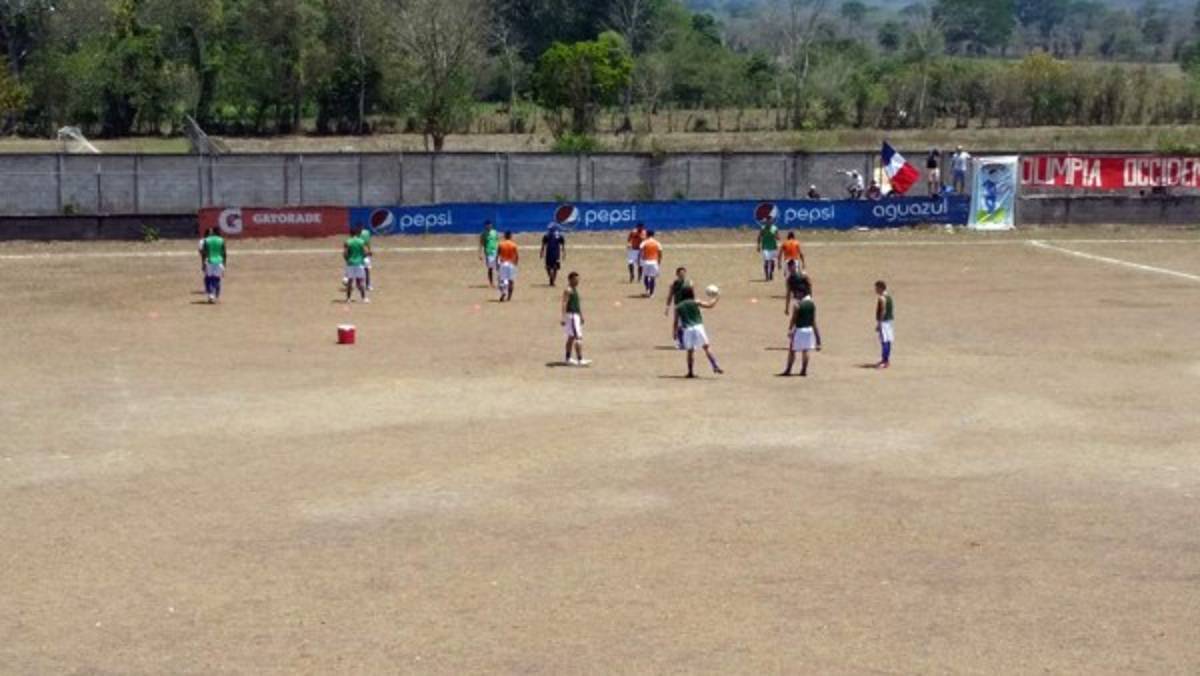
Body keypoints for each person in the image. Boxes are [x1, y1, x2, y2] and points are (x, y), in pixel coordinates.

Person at [674, 287, 723, 378]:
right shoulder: (696, 302)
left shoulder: (678, 306)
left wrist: (675, 333)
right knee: (706, 347)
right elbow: (709, 305)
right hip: (698, 327)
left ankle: (690, 372)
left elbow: (676, 321)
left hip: (687, 329)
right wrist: (717, 298)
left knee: (690, 351)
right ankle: (715, 365)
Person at [781, 291, 820, 377]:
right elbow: (813, 321)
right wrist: (818, 339)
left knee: (792, 350)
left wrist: (790, 329)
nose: (796, 295)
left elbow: (794, 319)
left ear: (802, 294)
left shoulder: (797, 305)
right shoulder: (812, 304)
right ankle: (804, 370)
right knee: (805, 350)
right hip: (809, 329)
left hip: (799, 329)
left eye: (798, 293)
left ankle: (788, 369)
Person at [560, 272, 591, 367]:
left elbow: (577, 304)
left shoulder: (574, 290)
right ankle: (580, 359)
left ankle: (568, 358)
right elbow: (564, 303)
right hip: (572, 316)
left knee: (571, 337)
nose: (577, 281)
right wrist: (563, 317)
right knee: (578, 337)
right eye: (575, 279)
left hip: (575, 315)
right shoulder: (568, 290)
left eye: (578, 279)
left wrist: (581, 315)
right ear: (570, 279)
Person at [664, 267, 693, 349]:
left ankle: (684, 341)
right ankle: (680, 341)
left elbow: (692, 296)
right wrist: (667, 307)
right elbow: (670, 296)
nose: (682, 275)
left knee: (687, 325)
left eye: (683, 273)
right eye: (680, 274)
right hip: (678, 306)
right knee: (678, 324)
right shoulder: (674, 284)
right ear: (677, 274)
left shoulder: (689, 283)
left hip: (687, 306)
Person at [343, 226, 371, 303]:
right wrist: (363, 257)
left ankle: (348, 299)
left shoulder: (347, 242)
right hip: (359, 264)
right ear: (357, 233)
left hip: (350, 264)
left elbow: (345, 254)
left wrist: (348, 260)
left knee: (350, 282)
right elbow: (366, 252)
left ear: (350, 234)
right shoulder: (361, 241)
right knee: (360, 282)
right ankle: (364, 298)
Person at [198, 227, 226, 303]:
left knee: (208, 278)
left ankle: (211, 295)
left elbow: (204, 253)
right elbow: (224, 253)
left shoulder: (206, 240)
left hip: (209, 261)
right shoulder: (221, 240)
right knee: (217, 279)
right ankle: (216, 296)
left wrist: (203, 263)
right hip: (219, 261)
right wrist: (224, 265)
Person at [875, 280, 895, 369]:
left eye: (876, 288)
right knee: (888, 340)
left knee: (884, 341)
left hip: (884, 322)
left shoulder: (882, 298)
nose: (875, 290)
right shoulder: (889, 297)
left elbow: (883, 310)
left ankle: (885, 360)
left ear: (880, 288)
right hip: (889, 321)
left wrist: (879, 323)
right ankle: (886, 359)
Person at [638, 229, 662, 298]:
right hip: (654, 261)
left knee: (645, 276)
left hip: (645, 261)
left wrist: (639, 261)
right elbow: (660, 253)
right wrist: (659, 261)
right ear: (653, 235)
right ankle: (652, 293)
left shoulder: (644, 242)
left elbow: (640, 252)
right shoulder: (657, 243)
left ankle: (647, 289)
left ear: (647, 235)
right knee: (652, 278)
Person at [497, 231, 519, 302]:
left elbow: (497, 256)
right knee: (511, 281)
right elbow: (517, 256)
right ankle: (509, 297)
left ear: (505, 236)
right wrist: (516, 264)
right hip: (511, 263)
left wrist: (497, 264)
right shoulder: (514, 245)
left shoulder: (501, 244)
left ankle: (503, 291)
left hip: (503, 263)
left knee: (502, 280)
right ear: (510, 236)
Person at [756, 217, 780, 281]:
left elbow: (778, 238)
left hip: (773, 247)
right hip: (765, 247)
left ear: (772, 221)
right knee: (766, 261)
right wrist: (758, 245)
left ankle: (771, 273)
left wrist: (775, 235)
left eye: (770, 221)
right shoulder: (763, 228)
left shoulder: (775, 228)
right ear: (766, 221)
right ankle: (766, 276)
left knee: (772, 262)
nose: (768, 222)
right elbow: (759, 237)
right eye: (767, 221)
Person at [479, 220, 500, 288]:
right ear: (485, 226)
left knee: (498, 267)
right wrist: (480, 253)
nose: (489, 226)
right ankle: (491, 283)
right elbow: (481, 244)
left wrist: (500, 250)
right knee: (490, 268)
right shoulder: (483, 234)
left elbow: (498, 241)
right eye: (487, 225)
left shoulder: (495, 232)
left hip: (496, 251)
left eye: (490, 225)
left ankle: (500, 281)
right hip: (489, 253)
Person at [359, 224, 375, 291]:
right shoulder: (366, 233)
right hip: (364, 254)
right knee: (366, 271)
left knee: (358, 270)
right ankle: (368, 285)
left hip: (359, 254)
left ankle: (360, 285)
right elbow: (368, 243)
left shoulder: (356, 235)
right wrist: (369, 250)